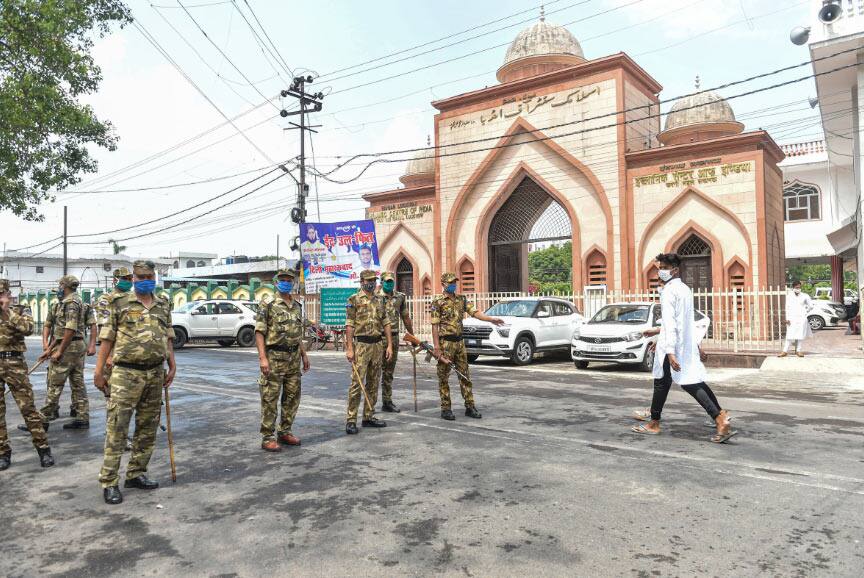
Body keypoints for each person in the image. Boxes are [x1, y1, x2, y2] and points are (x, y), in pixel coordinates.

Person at [94, 260, 176, 505]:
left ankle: (136, 473)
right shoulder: (119, 303)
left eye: (149, 275)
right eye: (140, 276)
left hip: (154, 373)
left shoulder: (163, 303)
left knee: (147, 428)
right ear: (133, 278)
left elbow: (168, 334)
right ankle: (109, 481)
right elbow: (107, 338)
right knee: (117, 428)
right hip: (125, 374)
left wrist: (172, 363)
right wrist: (99, 371)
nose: (145, 280)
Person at [631, 253, 735, 443]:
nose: (659, 271)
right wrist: (659, 334)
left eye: (663, 267)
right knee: (676, 382)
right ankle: (720, 415)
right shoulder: (685, 289)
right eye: (659, 267)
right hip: (680, 344)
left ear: (675, 270)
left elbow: (672, 324)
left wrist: (669, 351)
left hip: (672, 348)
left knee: (687, 383)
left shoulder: (669, 291)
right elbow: (684, 322)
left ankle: (719, 418)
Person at [431, 273, 504, 421]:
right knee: (443, 377)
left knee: (465, 375)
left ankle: (469, 406)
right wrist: (437, 347)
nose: (453, 285)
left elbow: (475, 313)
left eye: (454, 283)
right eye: (450, 283)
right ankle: (446, 408)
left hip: (459, 343)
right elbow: (434, 325)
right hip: (445, 343)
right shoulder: (437, 302)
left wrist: (491, 319)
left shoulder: (461, 300)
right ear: (443, 284)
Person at [0, 279, 55, 471]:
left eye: (1, 294)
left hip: (14, 363)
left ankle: (43, 449)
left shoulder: (22, 310)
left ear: (8, 294)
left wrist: (7, 311)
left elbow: (29, 329)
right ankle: (3, 453)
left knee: (28, 409)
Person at [255, 268, 310, 452]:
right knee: (270, 398)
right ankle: (267, 436)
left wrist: (304, 354)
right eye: (283, 279)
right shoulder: (267, 304)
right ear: (276, 282)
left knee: (292, 397)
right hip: (274, 357)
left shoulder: (297, 306)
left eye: (289, 279)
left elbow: (297, 333)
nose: (286, 282)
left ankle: (285, 431)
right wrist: (263, 358)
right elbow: (259, 332)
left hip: (293, 358)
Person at [36, 275, 95, 429]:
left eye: (61, 285)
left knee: (55, 382)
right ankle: (82, 416)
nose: (59, 288)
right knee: (78, 383)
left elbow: (70, 329)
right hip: (74, 345)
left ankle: (43, 419)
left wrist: (59, 351)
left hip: (68, 347)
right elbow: (58, 330)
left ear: (65, 286)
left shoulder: (71, 303)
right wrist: (49, 348)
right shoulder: (74, 301)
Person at [345, 269, 393, 434]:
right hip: (361, 346)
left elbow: (386, 322)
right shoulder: (354, 299)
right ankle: (351, 420)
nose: (371, 282)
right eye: (368, 280)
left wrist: (389, 345)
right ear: (361, 282)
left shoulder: (380, 300)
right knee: (356, 384)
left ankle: (368, 416)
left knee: (373, 382)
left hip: (377, 345)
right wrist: (349, 348)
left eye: (373, 279)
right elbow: (350, 325)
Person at [377, 271, 414, 413]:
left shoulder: (400, 297)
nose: (389, 284)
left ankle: (387, 401)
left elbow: (406, 318)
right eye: (387, 281)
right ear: (381, 282)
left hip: (393, 337)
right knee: (373, 373)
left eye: (391, 281)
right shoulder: (375, 297)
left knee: (389, 372)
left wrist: (412, 335)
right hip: (378, 338)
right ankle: (370, 405)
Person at [780, 280, 813, 358]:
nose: (798, 288)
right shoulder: (789, 296)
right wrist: (787, 318)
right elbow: (787, 307)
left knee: (800, 335)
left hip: (801, 318)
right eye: (796, 287)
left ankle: (799, 351)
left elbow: (811, 306)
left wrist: (805, 312)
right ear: (793, 288)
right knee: (790, 335)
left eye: (799, 287)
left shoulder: (805, 296)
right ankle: (784, 351)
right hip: (791, 318)